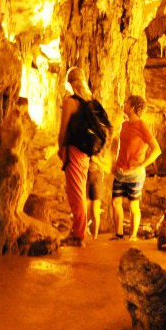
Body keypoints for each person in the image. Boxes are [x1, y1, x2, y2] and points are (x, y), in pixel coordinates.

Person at [111, 95, 161, 241]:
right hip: (120, 170)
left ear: (132, 108)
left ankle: (132, 236)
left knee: (133, 206)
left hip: (135, 174)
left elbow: (156, 149)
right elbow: (123, 146)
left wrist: (142, 164)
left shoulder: (142, 126)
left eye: (126, 103)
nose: (123, 104)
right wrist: (116, 162)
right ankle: (119, 234)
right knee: (116, 202)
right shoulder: (124, 125)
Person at [57, 67, 93, 247]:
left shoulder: (70, 102)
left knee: (76, 194)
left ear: (70, 83)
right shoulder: (89, 101)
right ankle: (78, 230)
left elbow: (63, 129)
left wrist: (59, 146)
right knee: (80, 191)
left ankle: (79, 236)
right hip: (85, 152)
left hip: (73, 151)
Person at [86, 154, 108, 239]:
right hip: (86, 177)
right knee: (83, 208)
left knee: (94, 210)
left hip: (96, 181)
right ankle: (83, 232)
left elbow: (108, 169)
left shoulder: (102, 153)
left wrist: (97, 161)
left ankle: (95, 236)